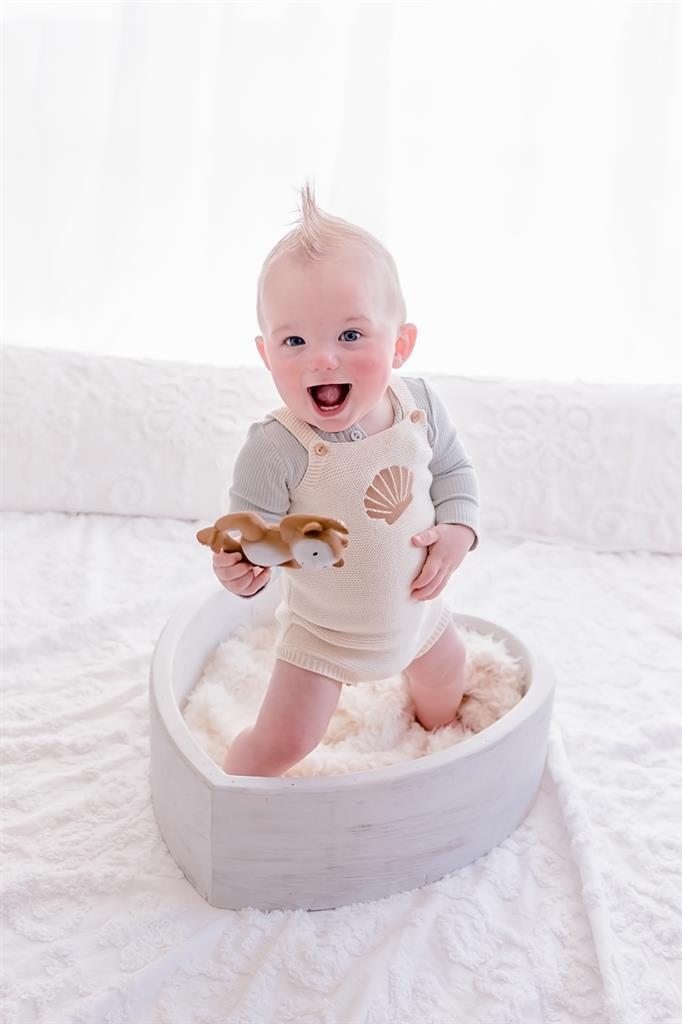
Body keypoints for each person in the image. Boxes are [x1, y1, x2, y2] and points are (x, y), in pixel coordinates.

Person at [213, 183, 480, 777]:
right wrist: (240, 568)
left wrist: (458, 529)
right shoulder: (277, 446)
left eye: (351, 335)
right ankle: (230, 793)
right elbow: (248, 539)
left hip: (419, 615)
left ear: (401, 343)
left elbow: (454, 472)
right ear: (266, 354)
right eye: (295, 340)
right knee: (283, 742)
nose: (323, 359)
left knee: (448, 685)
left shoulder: (419, 406)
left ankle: (433, 751)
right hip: (324, 639)